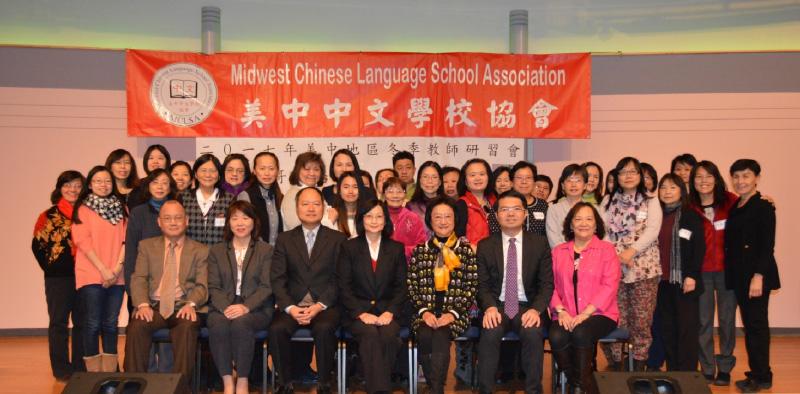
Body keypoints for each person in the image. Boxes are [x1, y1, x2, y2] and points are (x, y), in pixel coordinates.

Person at [270, 187, 346, 394]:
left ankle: (324, 383)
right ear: (297, 208)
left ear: (323, 208)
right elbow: (277, 279)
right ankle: (285, 383)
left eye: (316, 204)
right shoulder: (285, 239)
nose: (311, 208)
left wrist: (320, 305)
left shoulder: (337, 239)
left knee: (324, 328)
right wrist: (290, 308)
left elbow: (339, 279)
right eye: (305, 204)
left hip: (325, 305)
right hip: (293, 304)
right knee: (277, 329)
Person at [124, 200, 209, 386]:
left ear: (186, 221)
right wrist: (143, 304)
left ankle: (180, 387)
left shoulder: (200, 250)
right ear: (159, 222)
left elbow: (202, 285)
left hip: (182, 306)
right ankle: (133, 386)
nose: (173, 222)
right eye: (167, 218)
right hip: (153, 306)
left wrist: (191, 304)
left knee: (187, 326)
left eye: (178, 218)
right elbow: (139, 278)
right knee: (137, 326)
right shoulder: (146, 246)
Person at [476, 190, 553, 394]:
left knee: (533, 332)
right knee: (490, 331)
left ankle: (533, 390)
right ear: (496, 215)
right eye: (505, 209)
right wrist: (489, 307)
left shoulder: (539, 244)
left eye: (516, 209)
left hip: (527, 306)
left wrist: (536, 310)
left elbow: (546, 284)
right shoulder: (485, 245)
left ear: (525, 213)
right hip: (498, 305)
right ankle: (485, 390)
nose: (510, 214)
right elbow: (482, 285)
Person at [408, 196, 478, 394]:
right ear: (430, 220)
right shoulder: (420, 251)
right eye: (438, 217)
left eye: (448, 216)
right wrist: (424, 312)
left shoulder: (465, 251)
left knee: (440, 334)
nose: (443, 221)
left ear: (455, 220)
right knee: (423, 334)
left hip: (456, 315)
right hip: (424, 314)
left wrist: (452, 314)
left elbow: (471, 287)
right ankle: (434, 387)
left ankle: (436, 389)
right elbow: (412, 286)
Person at [337, 199, 408, 394]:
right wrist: (361, 313)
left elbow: (402, 286)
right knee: (369, 334)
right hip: (357, 313)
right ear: (361, 219)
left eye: (379, 216)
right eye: (369, 216)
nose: (374, 221)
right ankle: (381, 389)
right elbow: (344, 287)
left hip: (388, 311)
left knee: (389, 335)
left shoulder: (396, 248)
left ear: (385, 220)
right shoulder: (349, 248)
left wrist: (390, 312)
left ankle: (370, 381)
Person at [550, 202, 620, 394]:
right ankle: (583, 384)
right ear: (571, 224)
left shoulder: (607, 250)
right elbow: (549, 285)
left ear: (596, 225)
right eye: (578, 219)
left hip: (600, 314)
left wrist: (586, 313)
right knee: (556, 336)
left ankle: (578, 388)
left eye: (589, 219)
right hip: (565, 313)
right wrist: (560, 310)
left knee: (581, 332)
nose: (583, 223)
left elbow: (610, 285)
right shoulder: (558, 251)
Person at [599, 157, 662, 371]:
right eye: (623, 172)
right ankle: (617, 365)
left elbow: (652, 230)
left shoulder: (651, 200)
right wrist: (616, 255)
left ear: (640, 176)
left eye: (633, 172)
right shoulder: (607, 200)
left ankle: (639, 364)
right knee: (616, 319)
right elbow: (601, 230)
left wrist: (631, 251)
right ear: (617, 176)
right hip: (612, 267)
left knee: (641, 320)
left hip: (644, 268)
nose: (628, 176)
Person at [725, 159, 781, 392]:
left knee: (757, 327)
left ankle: (763, 377)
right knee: (750, 326)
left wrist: (758, 276)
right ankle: (757, 372)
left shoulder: (763, 206)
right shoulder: (737, 205)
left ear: (757, 178)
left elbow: (767, 246)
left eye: (746, 176)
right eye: (736, 176)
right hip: (740, 276)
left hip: (755, 277)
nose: (741, 181)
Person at [207, 201, 274, 394]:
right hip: (223, 306)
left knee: (241, 324)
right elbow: (213, 286)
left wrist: (246, 307)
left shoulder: (265, 250)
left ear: (254, 222)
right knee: (217, 324)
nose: (240, 223)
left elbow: (266, 286)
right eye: (235, 218)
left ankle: (243, 380)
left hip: (257, 308)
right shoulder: (217, 251)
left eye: (245, 218)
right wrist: (226, 307)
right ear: (228, 223)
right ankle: (228, 381)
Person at [71, 165, 128, 373]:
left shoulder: (122, 208)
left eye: (107, 181)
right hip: (91, 274)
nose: (103, 185)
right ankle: (93, 376)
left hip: (117, 275)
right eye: (98, 181)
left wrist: (116, 269)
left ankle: (111, 375)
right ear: (90, 184)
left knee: (111, 324)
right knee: (92, 323)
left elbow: (126, 240)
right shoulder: (83, 208)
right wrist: (103, 270)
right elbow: (82, 242)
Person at [32, 170, 86, 380]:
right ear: (60, 188)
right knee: (59, 323)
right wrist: (52, 267)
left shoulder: (87, 213)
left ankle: (80, 367)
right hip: (58, 279)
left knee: (82, 322)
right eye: (68, 185)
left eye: (77, 185)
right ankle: (61, 369)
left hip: (85, 276)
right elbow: (37, 245)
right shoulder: (48, 215)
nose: (73, 189)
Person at [688, 160, 738, 385]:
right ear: (693, 181)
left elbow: (752, 207)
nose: (704, 181)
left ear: (716, 179)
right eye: (699, 176)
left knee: (727, 320)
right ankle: (707, 368)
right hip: (702, 272)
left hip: (728, 271)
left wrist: (767, 200)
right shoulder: (689, 206)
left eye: (709, 176)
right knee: (703, 322)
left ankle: (725, 367)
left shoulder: (730, 201)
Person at [123, 169, 177, 372]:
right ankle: (147, 377)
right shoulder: (139, 213)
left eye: (165, 183)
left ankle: (165, 376)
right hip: (143, 283)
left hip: (171, 284)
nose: (160, 187)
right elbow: (131, 252)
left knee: (168, 332)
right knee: (142, 329)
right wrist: (133, 289)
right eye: (155, 182)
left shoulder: (177, 211)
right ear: (148, 186)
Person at [654, 174, 705, 372]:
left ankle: (687, 374)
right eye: (663, 187)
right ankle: (673, 371)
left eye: (672, 187)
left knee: (686, 330)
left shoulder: (690, 215)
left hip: (684, 281)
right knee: (667, 328)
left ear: (681, 191)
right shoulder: (656, 216)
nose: (667, 192)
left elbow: (698, 248)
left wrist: (692, 275)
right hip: (662, 282)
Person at [181, 154, 236, 246]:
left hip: (219, 252)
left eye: (213, 171)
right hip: (190, 252)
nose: (208, 175)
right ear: (195, 174)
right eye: (203, 170)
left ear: (219, 175)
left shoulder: (229, 199)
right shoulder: (184, 197)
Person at [238, 152, 283, 246]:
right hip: (255, 250)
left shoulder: (280, 197)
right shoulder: (246, 196)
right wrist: (263, 249)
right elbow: (244, 228)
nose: (267, 173)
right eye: (262, 168)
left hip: (277, 251)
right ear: (254, 171)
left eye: (271, 168)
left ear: (277, 171)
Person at [455, 158, 498, 249]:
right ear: (465, 181)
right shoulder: (461, 204)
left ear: (488, 177)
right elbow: (458, 236)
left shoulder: (495, 202)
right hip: (472, 255)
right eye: (472, 175)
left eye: (482, 174)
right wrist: (471, 248)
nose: (478, 178)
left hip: (495, 254)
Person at [383, 177, 428, 260]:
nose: (395, 196)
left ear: (405, 194)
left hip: (407, 263)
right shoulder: (378, 216)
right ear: (384, 195)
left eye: (399, 192)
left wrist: (400, 251)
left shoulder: (413, 217)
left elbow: (421, 245)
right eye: (390, 192)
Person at [280, 151, 327, 230]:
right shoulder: (292, 195)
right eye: (307, 169)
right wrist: (330, 220)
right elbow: (295, 227)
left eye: (316, 169)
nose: (312, 173)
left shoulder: (318, 192)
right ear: (297, 171)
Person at [546, 164, 587, 248]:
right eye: (569, 180)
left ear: (585, 185)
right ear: (563, 186)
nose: (573, 184)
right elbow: (553, 240)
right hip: (562, 254)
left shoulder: (592, 209)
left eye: (578, 180)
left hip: (590, 254)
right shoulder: (553, 209)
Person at [512, 161, 548, 236]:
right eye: (519, 178)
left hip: (538, 243)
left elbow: (548, 232)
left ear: (534, 181)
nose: (524, 181)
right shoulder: (502, 203)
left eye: (528, 178)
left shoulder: (542, 205)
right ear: (512, 181)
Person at [323, 171, 362, 238]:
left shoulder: (367, 214)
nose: (350, 191)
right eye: (346, 187)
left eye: (355, 187)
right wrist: (330, 222)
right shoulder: (330, 213)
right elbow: (322, 239)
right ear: (339, 191)